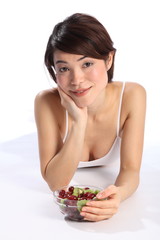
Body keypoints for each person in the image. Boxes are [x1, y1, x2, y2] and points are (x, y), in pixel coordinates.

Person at [34, 13, 146, 222]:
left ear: (109, 59)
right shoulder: (46, 102)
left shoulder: (132, 95)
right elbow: (56, 183)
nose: (76, 80)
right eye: (64, 68)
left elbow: (131, 169)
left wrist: (117, 195)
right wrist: (79, 121)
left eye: (87, 64)